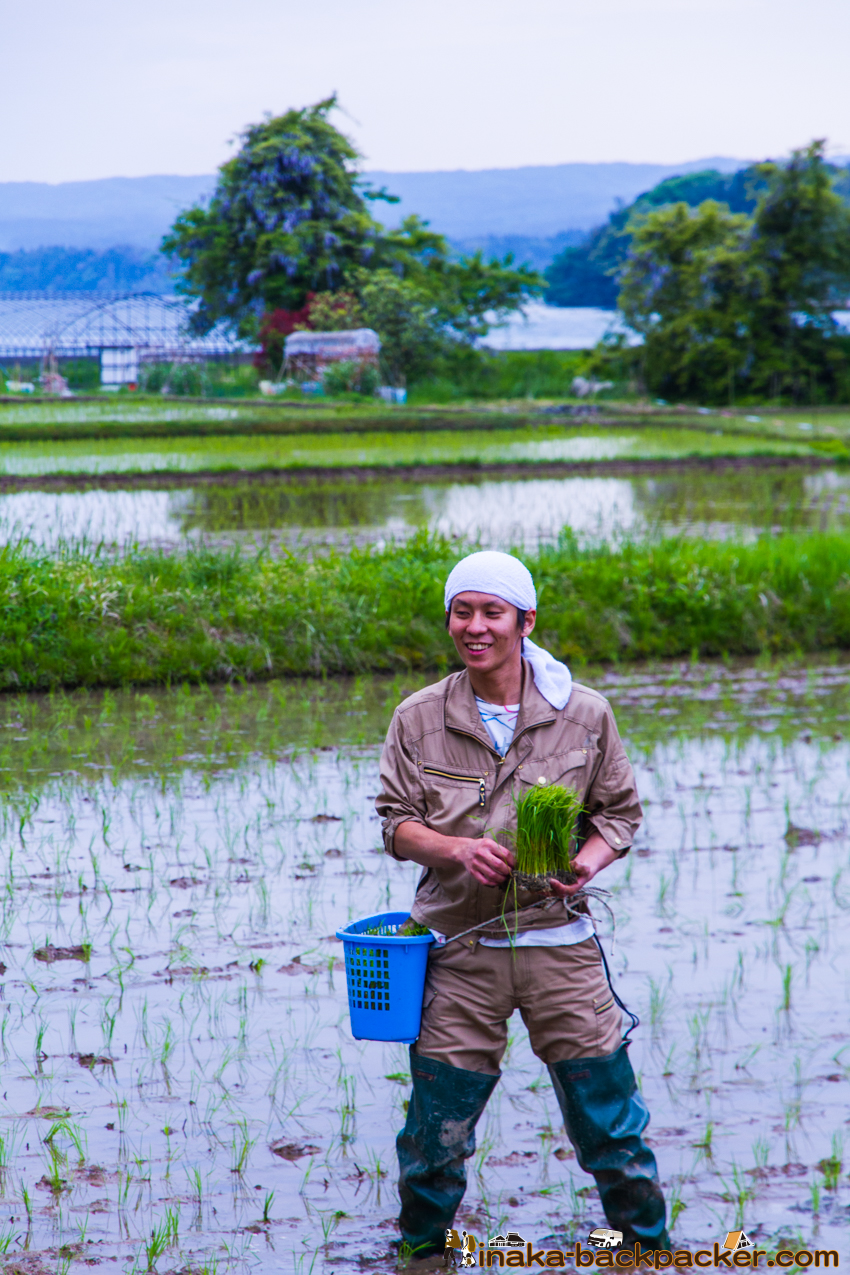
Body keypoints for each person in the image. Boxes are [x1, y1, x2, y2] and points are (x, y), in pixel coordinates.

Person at [375, 550, 670, 1265]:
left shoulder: (584, 713)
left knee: (610, 1125)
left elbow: (620, 816)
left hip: (560, 946)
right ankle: (422, 1251)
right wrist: (454, 850)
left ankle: (646, 1249)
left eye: (491, 612)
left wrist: (584, 864)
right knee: (435, 1131)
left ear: (524, 621)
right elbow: (394, 822)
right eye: (461, 611)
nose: (474, 626)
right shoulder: (419, 717)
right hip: (459, 952)